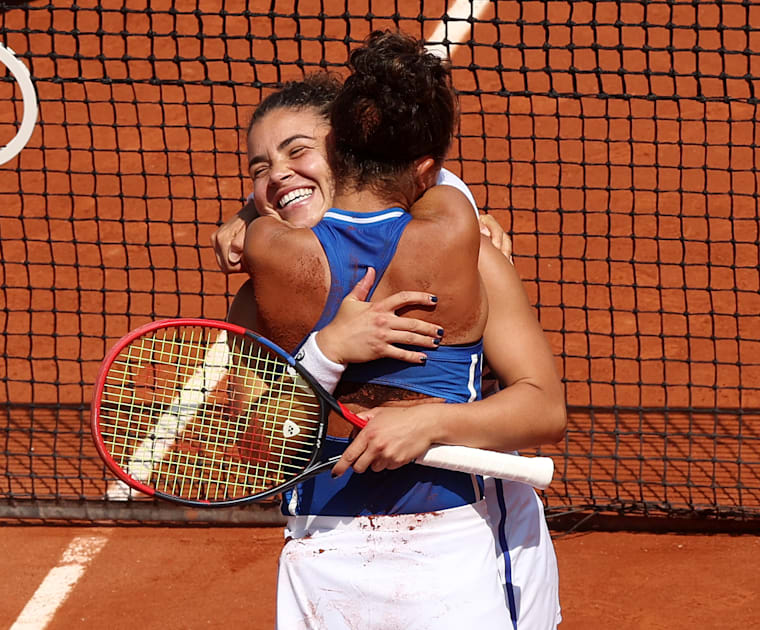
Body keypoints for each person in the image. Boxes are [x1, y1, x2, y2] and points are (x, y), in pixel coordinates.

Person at [218, 33, 565, 629]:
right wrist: (326, 353)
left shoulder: (465, 249)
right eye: (261, 168)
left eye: (299, 152)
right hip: (341, 556)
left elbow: (542, 409)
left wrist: (426, 420)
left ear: (343, 151)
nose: (278, 176)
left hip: (429, 550)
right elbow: (245, 444)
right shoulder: (461, 241)